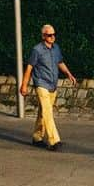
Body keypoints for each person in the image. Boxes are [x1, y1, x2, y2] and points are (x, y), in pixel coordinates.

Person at [20, 22, 78, 150]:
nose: (52, 37)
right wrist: (24, 85)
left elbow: (60, 62)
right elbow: (29, 68)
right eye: (49, 35)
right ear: (43, 36)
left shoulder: (56, 48)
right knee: (48, 112)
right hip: (41, 84)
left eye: (54, 34)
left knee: (43, 112)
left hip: (52, 84)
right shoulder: (37, 50)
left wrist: (69, 74)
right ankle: (54, 141)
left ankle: (37, 137)